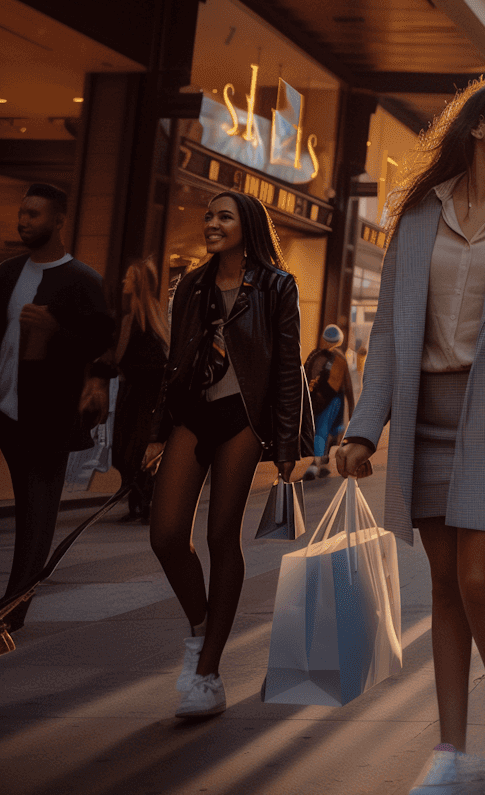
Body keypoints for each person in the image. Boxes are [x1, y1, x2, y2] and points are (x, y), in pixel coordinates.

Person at [336, 78, 485, 790]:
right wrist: (361, 429)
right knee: (443, 585)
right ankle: (450, 749)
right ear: (476, 126)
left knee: (478, 577)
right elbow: (387, 334)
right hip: (425, 415)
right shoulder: (415, 214)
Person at [147, 190, 310, 718]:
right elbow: (175, 362)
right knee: (167, 533)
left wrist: (287, 446)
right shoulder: (192, 284)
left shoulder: (277, 286)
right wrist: (158, 429)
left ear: (248, 226)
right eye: (209, 216)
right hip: (194, 414)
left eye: (224, 216)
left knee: (221, 535)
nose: (212, 223)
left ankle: (208, 672)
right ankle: (200, 627)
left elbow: (288, 368)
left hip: (243, 417)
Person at [0, 183, 113, 635]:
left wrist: (54, 331)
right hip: (3, 407)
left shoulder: (83, 281)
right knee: (29, 509)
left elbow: (102, 347)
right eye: (22, 213)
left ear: (59, 221)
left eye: (34, 214)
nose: (24, 221)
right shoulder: (7, 273)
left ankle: (14, 606)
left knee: (36, 511)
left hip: (46, 415)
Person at [109, 259, 169, 521]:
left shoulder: (142, 320)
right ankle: (139, 500)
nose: (124, 282)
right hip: (135, 396)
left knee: (133, 451)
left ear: (139, 283)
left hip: (143, 399)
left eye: (129, 278)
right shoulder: (138, 318)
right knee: (125, 451)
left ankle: (141, 502)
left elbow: (151, 365)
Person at [302, 324, 354, 481]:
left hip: (317, 399)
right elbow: (348, 386)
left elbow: (305, 375)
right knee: (327, 431)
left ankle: (320, 462)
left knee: (323, 430)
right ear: (340, 340)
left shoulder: (315, 355)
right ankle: (318, 463)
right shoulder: (340, 357)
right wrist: (352, 407)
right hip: (335, 400)